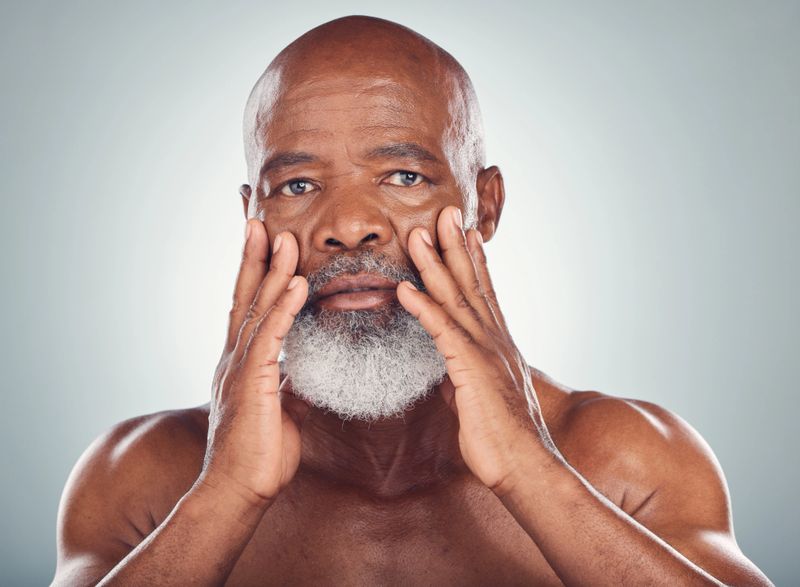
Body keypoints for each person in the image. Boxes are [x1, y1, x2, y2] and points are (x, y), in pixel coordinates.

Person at [51, 15, 773, 586]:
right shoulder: (140, 476)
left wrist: (531, 471)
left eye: (402, 175)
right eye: (297, 186)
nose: (346, 225)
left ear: (485, 206)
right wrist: (225, 495)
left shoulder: (628, 460)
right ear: (254, 218)